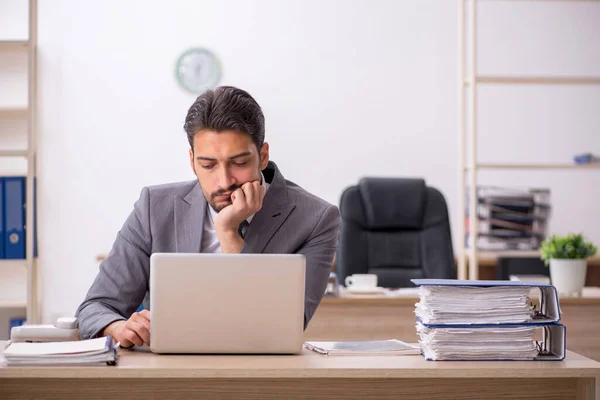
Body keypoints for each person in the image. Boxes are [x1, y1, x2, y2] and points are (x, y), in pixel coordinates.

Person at [75, 86, 341, 347]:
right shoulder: (154, 208)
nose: (224, 181)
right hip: (168, 376)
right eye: (208, 165)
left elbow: (286, 326)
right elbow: (95, 307)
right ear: (192, 161)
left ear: (262, 156)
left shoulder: (316, 220)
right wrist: (120, 328)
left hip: (259, 377)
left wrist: (228, 232)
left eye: (239, 163)